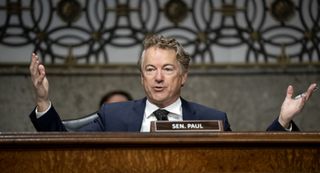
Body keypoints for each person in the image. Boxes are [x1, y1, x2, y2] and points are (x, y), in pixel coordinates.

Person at [29, 34, 317, 132]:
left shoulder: (212, 119)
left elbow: (250, 162)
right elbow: (61, 144)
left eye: (167, 69)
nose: (158, 77)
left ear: (184, 76)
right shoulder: (112, 116)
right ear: (141, 77)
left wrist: (282, 121)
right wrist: (43, 101)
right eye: (150, 69)